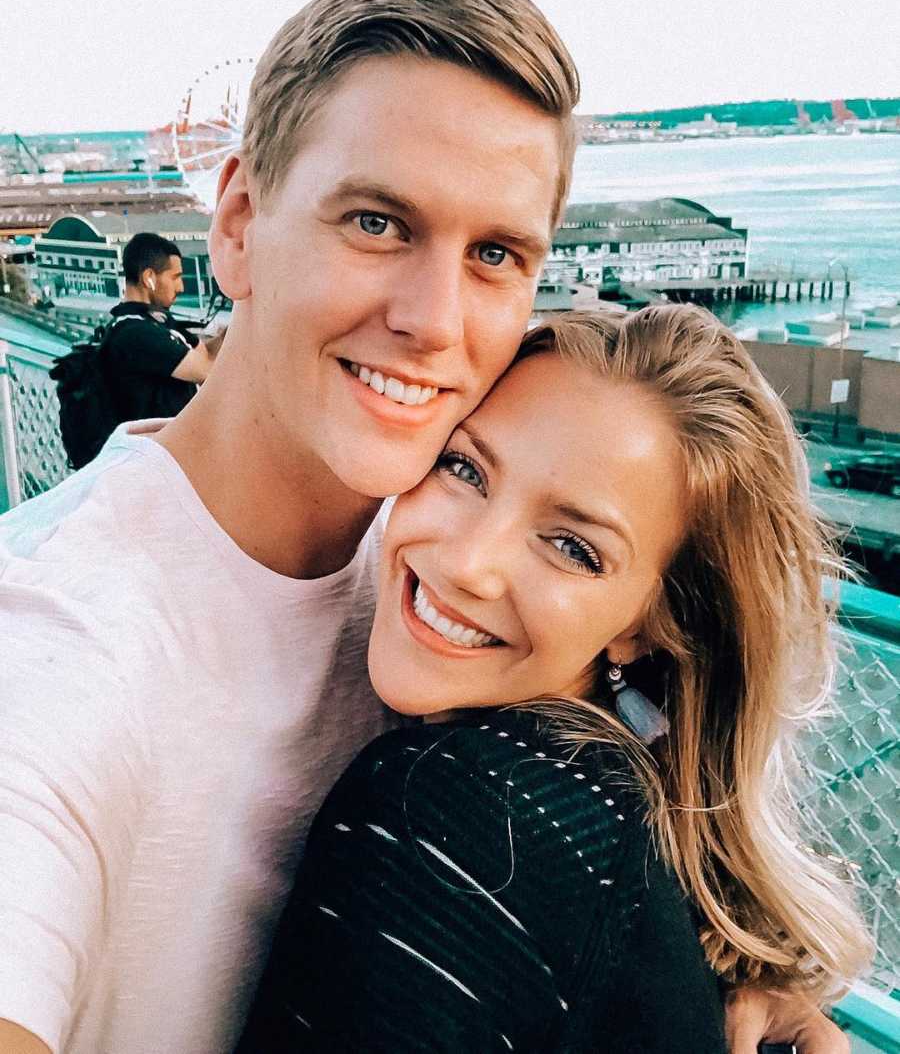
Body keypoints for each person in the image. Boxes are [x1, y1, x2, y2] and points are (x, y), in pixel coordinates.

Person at [0, 0, 846, 1054]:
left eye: (495, 253)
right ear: (243, 223)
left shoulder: (424, 569)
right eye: (378, 223)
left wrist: (735, 983)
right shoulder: (52, 660)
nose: (435, 320)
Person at [239, 307, 871, 1053]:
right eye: (465, 468)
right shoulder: (616, 823)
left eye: (573, 547)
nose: (469, 561)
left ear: (648, 623)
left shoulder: (459, 805)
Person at [104, 231, 222, 422]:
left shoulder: (156, 320)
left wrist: (232, 332)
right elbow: (207, 372)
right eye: (175, 277)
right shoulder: (135, 334)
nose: (181, 287)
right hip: (158, 446)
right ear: (149, 277)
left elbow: (203, 351)